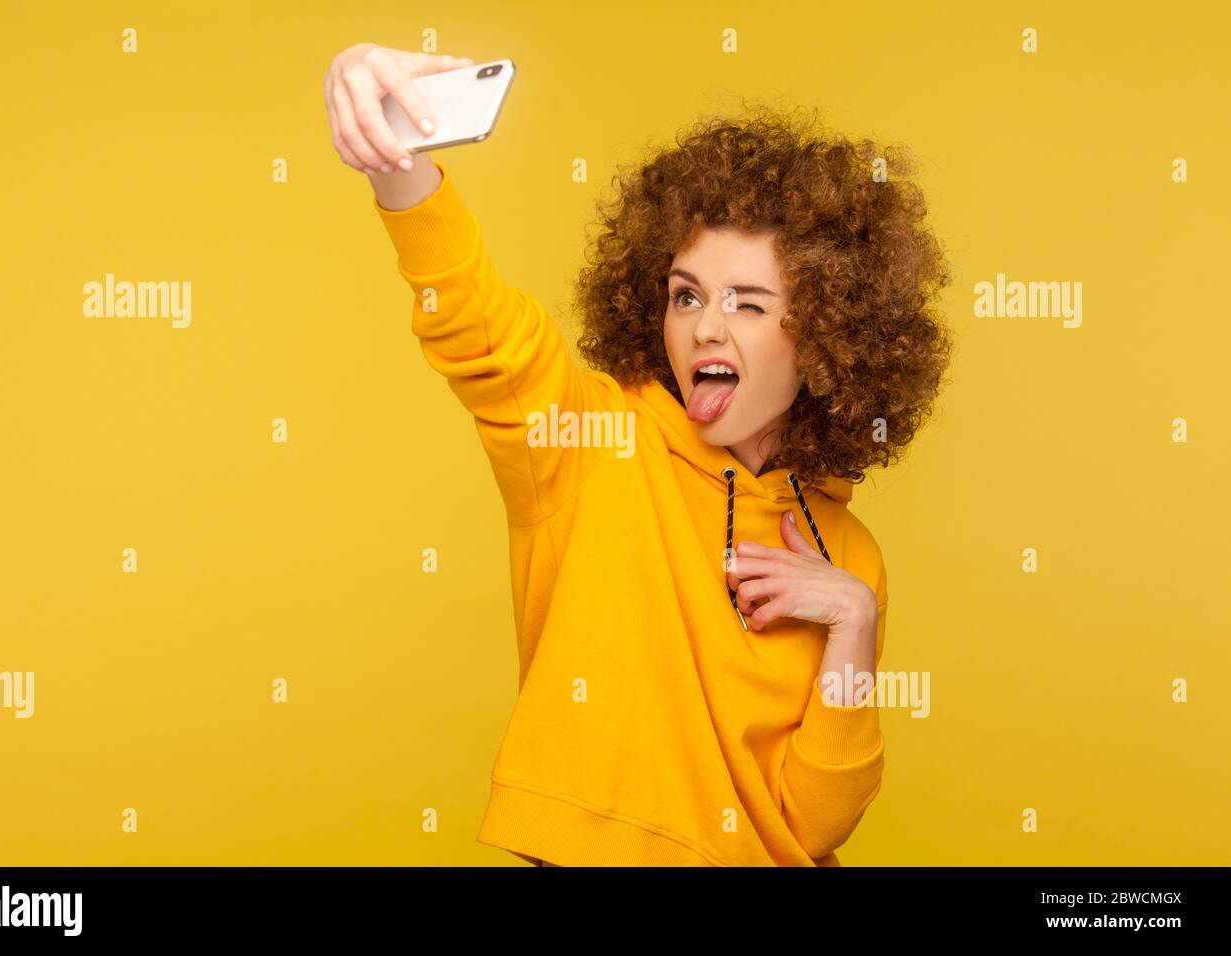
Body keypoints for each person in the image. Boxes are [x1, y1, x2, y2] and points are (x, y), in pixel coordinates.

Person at [324, 43, 953, 867]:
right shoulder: (591, 443)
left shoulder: (850, 555)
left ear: (830, 337)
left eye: (749, 304)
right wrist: (394, 156)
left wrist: (853, 623)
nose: (705, 328)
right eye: (685, 293)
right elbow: (479, 328)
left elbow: (812, 826)